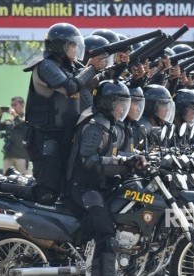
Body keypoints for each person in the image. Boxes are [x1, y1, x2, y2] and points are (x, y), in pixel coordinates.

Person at [65, 80, 145, 276]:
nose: (122, 110)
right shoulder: (95, 126)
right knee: (107, 233)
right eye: (119, 105)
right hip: (84, 188)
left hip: (101, 186)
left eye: (124, 105)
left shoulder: (112, 126)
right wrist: (120, 163)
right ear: (107, 104)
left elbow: (119, 154)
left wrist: (136, 160)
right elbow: (89, 161)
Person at [23, 22, 107, 204]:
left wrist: (109, 67)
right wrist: (92, 67)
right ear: (60, 46)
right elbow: (70, 87)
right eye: (72, 45)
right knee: (48, 191)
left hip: (65, 135)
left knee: (66, 187)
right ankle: (5, 188)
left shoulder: (69, 65)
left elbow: (91, 83)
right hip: (45, 137)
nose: (76, 49)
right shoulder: (45, 66)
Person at [0, 96, 30, 175]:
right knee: (7, 180)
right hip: (8, 155)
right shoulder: (10, 120)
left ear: (22, 105)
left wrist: (15, 115)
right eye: (11, 105)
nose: (13, 107)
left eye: (15, 105)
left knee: (24, 181)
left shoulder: (26, 118)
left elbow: (24, 126)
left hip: (21, 155)